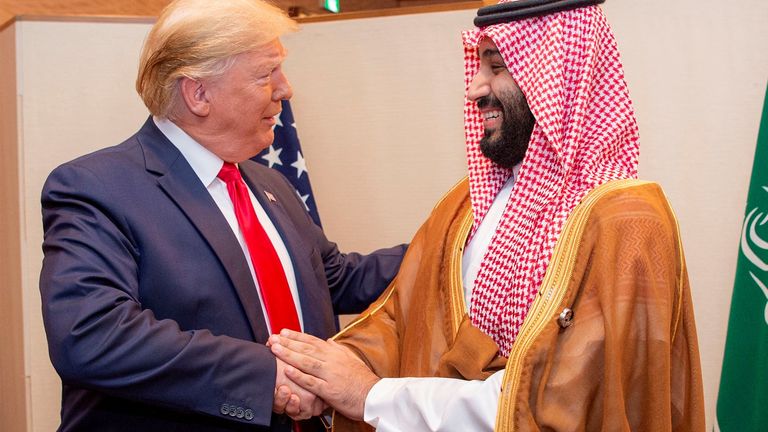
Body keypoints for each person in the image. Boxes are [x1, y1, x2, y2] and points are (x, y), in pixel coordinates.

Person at [268, 1, 706, 431]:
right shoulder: (466, 203)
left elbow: (562, 405)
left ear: (556, 78)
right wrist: (320, 376)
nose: (475, 88)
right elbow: (404, 319)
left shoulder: (627, 224)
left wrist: (371, 396)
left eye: (496, 68)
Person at [38, 0, 405, 431]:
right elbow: (91, 335)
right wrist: (267, 377)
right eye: (267, 73)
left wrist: (454, 241)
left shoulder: (269, 184)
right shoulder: (96, 187)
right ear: (198, 93)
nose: (285, 89)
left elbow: (337, 279)